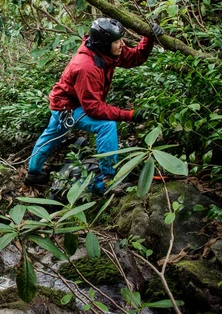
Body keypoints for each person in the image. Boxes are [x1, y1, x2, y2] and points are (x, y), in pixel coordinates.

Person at [24, 18, 164, 193]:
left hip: (65, 102)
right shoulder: (86, 67)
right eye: (117, 41)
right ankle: (107, 179)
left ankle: (33, 173)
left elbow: (134, 58)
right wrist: (128, 115)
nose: (122, 44)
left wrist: (148, 38)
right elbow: (93, 108)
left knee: (52, 134)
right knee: (106, 126)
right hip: (67, 107)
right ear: (105, 43)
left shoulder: (104, 51)